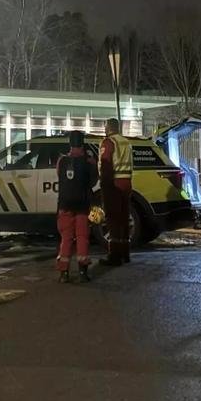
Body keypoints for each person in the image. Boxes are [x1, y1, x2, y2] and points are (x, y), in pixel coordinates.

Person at [56, 131, 99, 283]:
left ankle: (64, 273)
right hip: (83, 204)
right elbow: (94, 181)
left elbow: (59, 176)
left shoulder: (61, 161)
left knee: (66, 238)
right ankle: (82, 272)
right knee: (82, 237)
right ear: (82, 143)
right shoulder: (89, 161)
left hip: (64, 204)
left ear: (70, 144)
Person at [98, 118, 134, 266]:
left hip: (114, 184)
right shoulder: (126, 142)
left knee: (112, 220)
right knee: (123, 220)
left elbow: (106, 164)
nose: (104, 129)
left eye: (105, 126)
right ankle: (125, 254)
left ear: (109, 128)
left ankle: (114, 255)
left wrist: (105, 185)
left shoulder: (108, 142)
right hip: (127, 183)